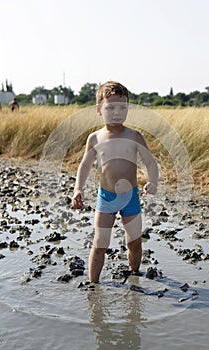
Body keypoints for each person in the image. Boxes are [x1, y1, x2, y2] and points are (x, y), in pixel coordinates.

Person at [71, 81, 159, 283]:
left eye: (122, 107)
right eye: (110, 107)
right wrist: (78, 189)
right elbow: (84, 166)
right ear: (99, 110)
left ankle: (134, 275)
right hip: (106, 197)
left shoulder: (134, 136)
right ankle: (93, 285)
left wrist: (152, 181)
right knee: (100, 242)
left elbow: (150, 163)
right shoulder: (95, 138)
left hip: (130, 197)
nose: (117, 112)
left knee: (134, 242)